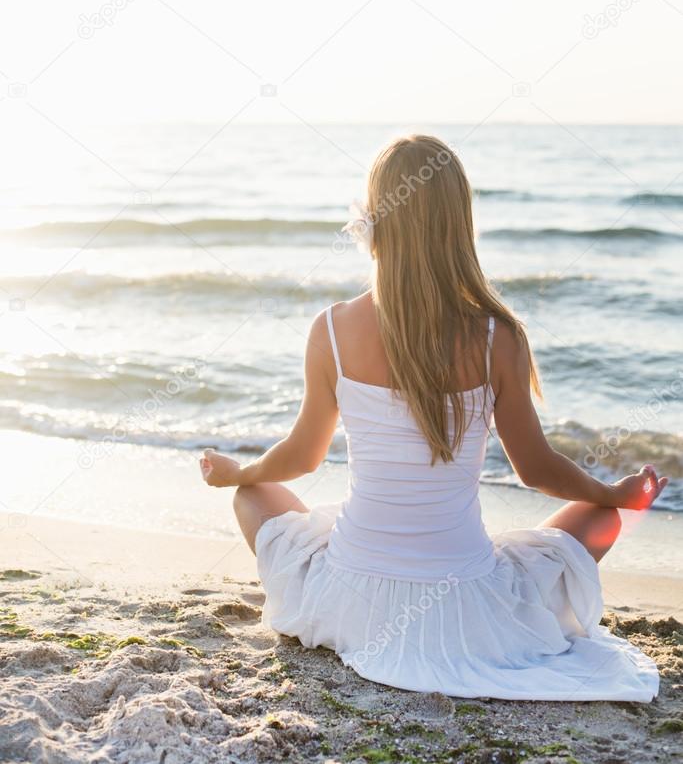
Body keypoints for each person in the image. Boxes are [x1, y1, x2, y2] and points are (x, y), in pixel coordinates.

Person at [200, 134, 666, 701]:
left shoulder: (331, 329)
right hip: (468, 601)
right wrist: (611, 496)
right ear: (457, 223)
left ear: (377, 220)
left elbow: (302, 457)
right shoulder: (497, 335)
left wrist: (238, 473)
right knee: (599, 520)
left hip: (350, 600)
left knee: (253, 497)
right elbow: (537, 470)